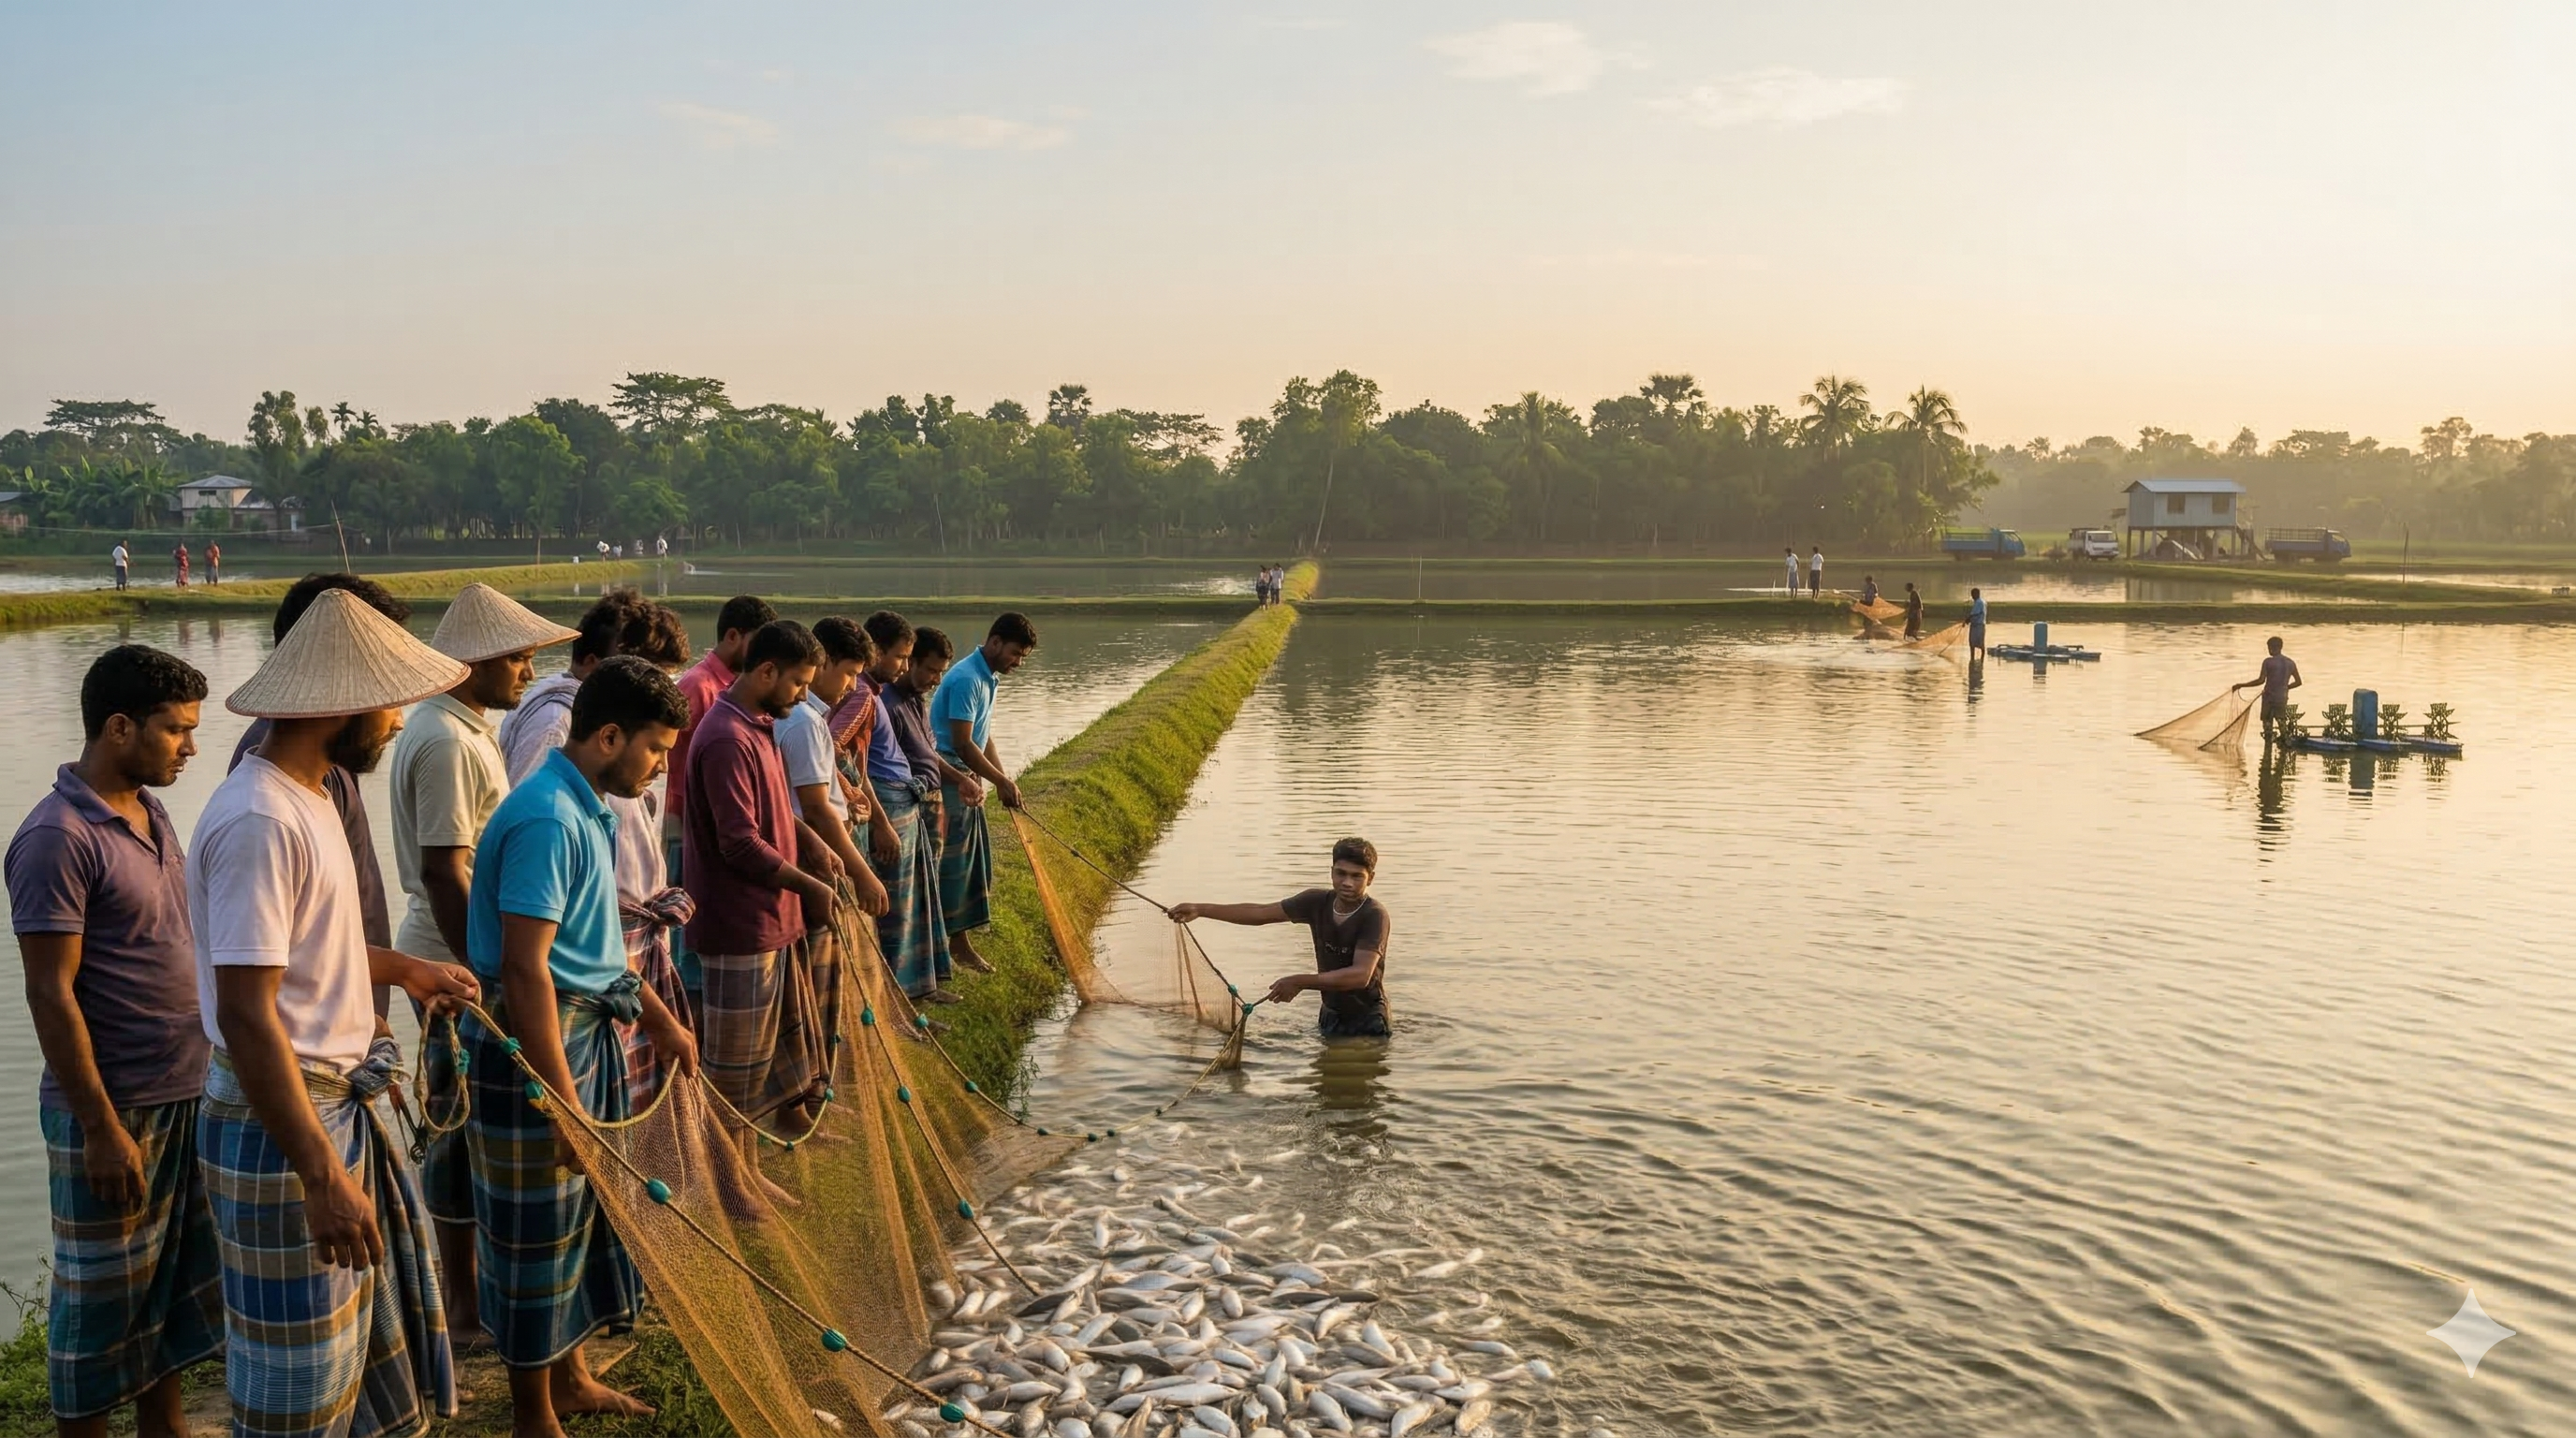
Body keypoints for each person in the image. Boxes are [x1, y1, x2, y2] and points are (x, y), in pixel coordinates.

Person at [189, 587, 478, 1438]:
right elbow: (248, 1016)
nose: (397, 722)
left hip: (326, 1108)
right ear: (345, 703)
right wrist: (321, 1175)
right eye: (389, 701)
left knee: (355, 1359)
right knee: (298, 1382)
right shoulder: (259, 818)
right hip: (288, 1128)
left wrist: (404, 971)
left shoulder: (312, 794)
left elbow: (305, 960)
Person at [462, 657, 696, 1437]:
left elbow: (595, 954)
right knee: (534, 1230)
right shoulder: (547, 818)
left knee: (577, 1218)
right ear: (606, 735)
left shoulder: (587, 804)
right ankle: (534, 1412)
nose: (661, 764)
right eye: (656, 749)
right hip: (537, 1045)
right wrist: (557, 1099)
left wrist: (660, 1020)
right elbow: (527, 970)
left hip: (583, 1029)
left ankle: (572, 1377)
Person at [7, 646, 222, 1437]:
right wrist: (100, 1128)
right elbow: (47, 990)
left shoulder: (148, 808)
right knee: (100, 1307)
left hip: (183, 1090)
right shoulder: (57, 838)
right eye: (176, 731)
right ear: (119, 727)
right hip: (113, 1107)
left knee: (160, 1295)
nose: (191, 748)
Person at [388, 582, 578, 1339]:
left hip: (458, 957)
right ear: (475, 663)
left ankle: (476, 1299)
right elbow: (444, 869)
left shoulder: (461, 729)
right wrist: (484, 970)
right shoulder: (444, 739)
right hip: (449, 963)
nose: (529, 676)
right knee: (456, 1127)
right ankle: (462, 1306)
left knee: (466, 1129)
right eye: (521, 661)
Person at [681, 620, 842, 1123]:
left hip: (773, 918)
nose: (802, 694)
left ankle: (781, 1132)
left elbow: (771, 810)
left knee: (774, 1054)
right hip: (739, 926)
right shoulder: (728, 737)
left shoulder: (760, 723)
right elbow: (740, 845)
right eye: (797, 682)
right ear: (767, 670)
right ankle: (734, 1179)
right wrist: (810, 883)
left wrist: (811, 842)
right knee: (735, 1073)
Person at [665, 595, 778, 1008]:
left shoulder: (734, 690)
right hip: (686, 825)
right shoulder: (698, 686)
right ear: (733, 636)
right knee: (686, 927)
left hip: (716, 828)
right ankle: (690, 1010)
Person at [1169, 838, 1392, 1039]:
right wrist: (1200, 909)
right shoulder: (1315, 901)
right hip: (1330, 1013)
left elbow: (1360, 976)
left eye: (1357, 876)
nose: (1347, 883)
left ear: (1370, 878)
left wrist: (1299, 981)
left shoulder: (1374, 915)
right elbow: (1260, 913)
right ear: (1331, 872)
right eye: (1341, 873)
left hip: (1368, 1021)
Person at [930, 612, 1034, 975]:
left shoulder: (988, 677)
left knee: (972, 862)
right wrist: (998, 782)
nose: (1017, 662)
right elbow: (960, 743)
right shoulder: (966, 678)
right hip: (947, 774)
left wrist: (1003, 778)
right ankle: (952, 947)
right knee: (954, 864)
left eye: (1022, 657)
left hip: (966, 776)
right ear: (994, 642)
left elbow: (981, 735)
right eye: (1015, 653)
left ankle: (958, 942)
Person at [856, 610, 948, 1000]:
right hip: (889, 810)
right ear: (875, 652)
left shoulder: (875, 694)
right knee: (893, 911)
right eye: (900, 657)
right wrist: (880, 822)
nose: (905, 667)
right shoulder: (862, 697)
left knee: (913, 906)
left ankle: (916, 990)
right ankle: (895, 998)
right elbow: (852, 768)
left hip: (903, 803)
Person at [776, 616, 890, 917]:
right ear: (823, 662)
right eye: (849, 674)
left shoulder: (807, 716)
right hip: (814, 856)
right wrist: (863, 873)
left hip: (817, 851)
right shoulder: (805, 721)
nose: (853, 686)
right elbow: (815, 809)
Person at [2233, 636, 2305, 743]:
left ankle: (2267, 752)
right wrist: (2286, 688)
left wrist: (2241, 685)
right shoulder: (2291, 663)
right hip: (2282, 698)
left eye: (2269, 648)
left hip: (2269, 698)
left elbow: (2261, 681)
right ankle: (2286, 749)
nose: (2269, 651)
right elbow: (2298, 682)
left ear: (2273, 647)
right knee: (2282, 724)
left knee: (2268, 728)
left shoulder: (2268, 662)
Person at [1968, 587, 1988, 658]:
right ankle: (1981, 659)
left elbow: (1974, 614)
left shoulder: (1979, 602)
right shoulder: (1982, 601)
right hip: (1980, 625)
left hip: (1977, 626)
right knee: (1980, 643)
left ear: (1977, 594)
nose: (1972, 596)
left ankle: (1973, 658)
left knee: (1973, 644)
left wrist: (1967, 619)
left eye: (1973, 594)